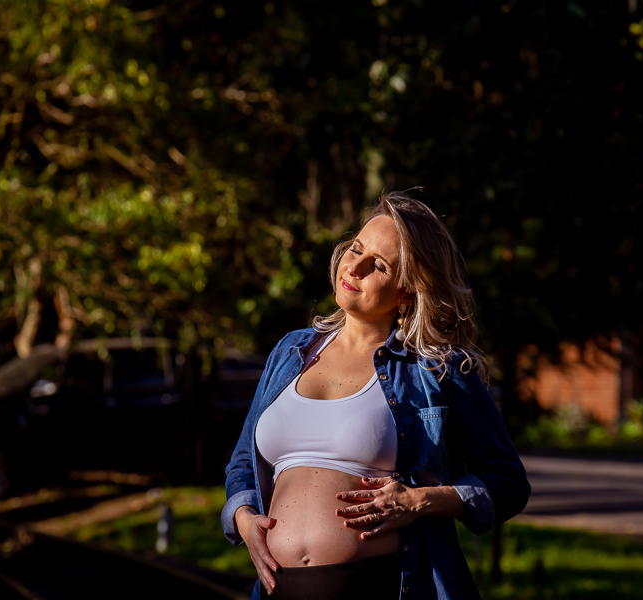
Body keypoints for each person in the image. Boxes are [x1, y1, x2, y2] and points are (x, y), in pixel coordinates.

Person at [221, 191, 531, 600]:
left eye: (379, 265)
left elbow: (507, 482)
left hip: (388, 585)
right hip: (279, 591)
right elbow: (243, 462)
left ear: (407, 292)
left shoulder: (437, 368)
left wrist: (419, 500)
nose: (355, 267)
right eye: (356, 248)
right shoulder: (290, 352)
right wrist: (243, 517)